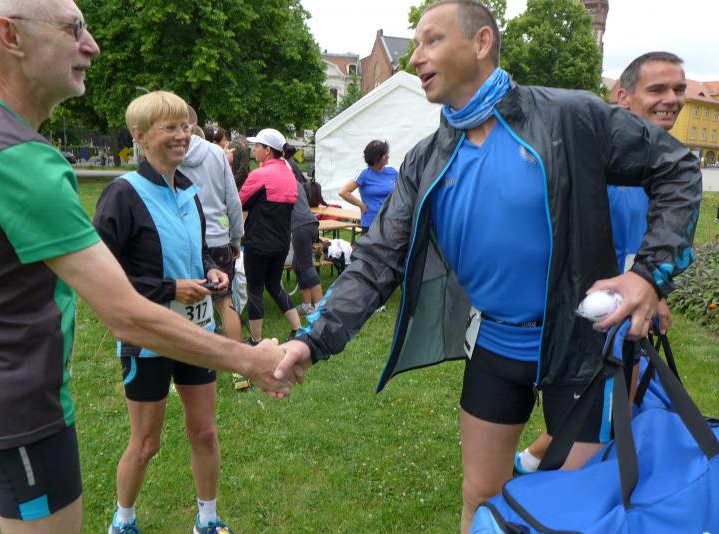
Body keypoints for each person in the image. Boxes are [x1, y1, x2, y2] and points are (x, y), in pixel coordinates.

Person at [275, 1, 701, 532]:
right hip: (498, 346)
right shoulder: (427, 159)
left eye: (431, 40)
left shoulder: (568, 117)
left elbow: (678, 170)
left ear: (481, 42)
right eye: (416, 44)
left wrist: (648, 274)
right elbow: (377, 259)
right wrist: (312, 341)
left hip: (582, 347)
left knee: (575, 505)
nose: (416, 58)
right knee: (479, 493)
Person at [0, 2, 291, 532]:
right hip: (20, 409)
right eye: (74, 29)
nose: (92, 45)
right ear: (10, 36)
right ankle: (124, 519)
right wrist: (251, 360)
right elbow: (126, 315)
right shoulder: (17, 156)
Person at [514, 50, 686, 476]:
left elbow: (645, 242)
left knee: (613, 413)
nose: (672, 99)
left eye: (679, 89)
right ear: (622, 97)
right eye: (657, 89)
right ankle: (546, 477)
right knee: (598, 422)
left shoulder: (663, 167)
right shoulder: (593, 159)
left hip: (626, 316)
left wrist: (654, 290)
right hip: (589, 321)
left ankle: (532, 464)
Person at [93, 91, 236, 534]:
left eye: (186, 127)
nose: (182, 135)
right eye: (169, 127)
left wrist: (211, 271)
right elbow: (100, 276)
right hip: (148, 337)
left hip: (197, 331)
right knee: (146, 443)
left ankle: (207, 520)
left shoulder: (188, 190)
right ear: (139, 136)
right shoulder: (122, 194)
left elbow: (198, 253)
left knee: (205, 432)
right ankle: (123, 521)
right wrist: (169, 289)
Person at [179, 124, 248, 391]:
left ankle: (185, 370)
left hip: (186, 239)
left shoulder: (168, 152)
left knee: (185, 307)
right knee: (225, 302)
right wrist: (236, 238)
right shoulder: (217, 154)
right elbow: (233, 202)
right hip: (218, 237)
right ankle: (239, 371)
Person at [238, 128, 303, 342]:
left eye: (257, 146)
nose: (253, 149)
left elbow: (240, 202)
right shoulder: (289, 174)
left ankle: (255, 340)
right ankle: (298, 329)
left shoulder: (260, 175)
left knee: (255, 289)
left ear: (267, 150)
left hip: (258, 242)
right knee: (274, 285)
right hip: (282, 242)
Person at [284, 143, 324, 315]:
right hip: (311, 225)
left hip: (301, 227)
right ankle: (307, 305)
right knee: (298, 264)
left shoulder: (283, 184)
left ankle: (321, 308)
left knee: (306, 266)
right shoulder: (297, 183)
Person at [337, 140, 399, 234]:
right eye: (384, 154)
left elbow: (404, 189)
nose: (387, 156)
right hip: (371, 222)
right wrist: (361, 205)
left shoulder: (392, 172)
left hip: (390, 221)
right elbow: (343, 192)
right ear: (375, 156)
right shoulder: (364, 174)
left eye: (387, 153)